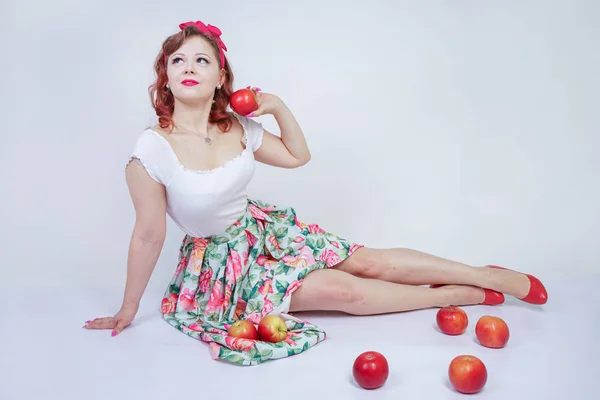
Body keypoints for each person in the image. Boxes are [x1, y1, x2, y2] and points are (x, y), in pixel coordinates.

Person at [84, 20, 548, 365]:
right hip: (224, 271)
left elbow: (296, 156)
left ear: (221, 78)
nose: (189, 67)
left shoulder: (237, 126)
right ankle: (455, 295)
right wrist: (127, 309)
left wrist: (278, 107)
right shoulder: (152, 149)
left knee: (372, 261)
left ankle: (490, 277)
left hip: (264, 233)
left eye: (202, 59)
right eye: (178, 60)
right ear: (164, 75)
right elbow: (148, 236)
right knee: (351, 295)